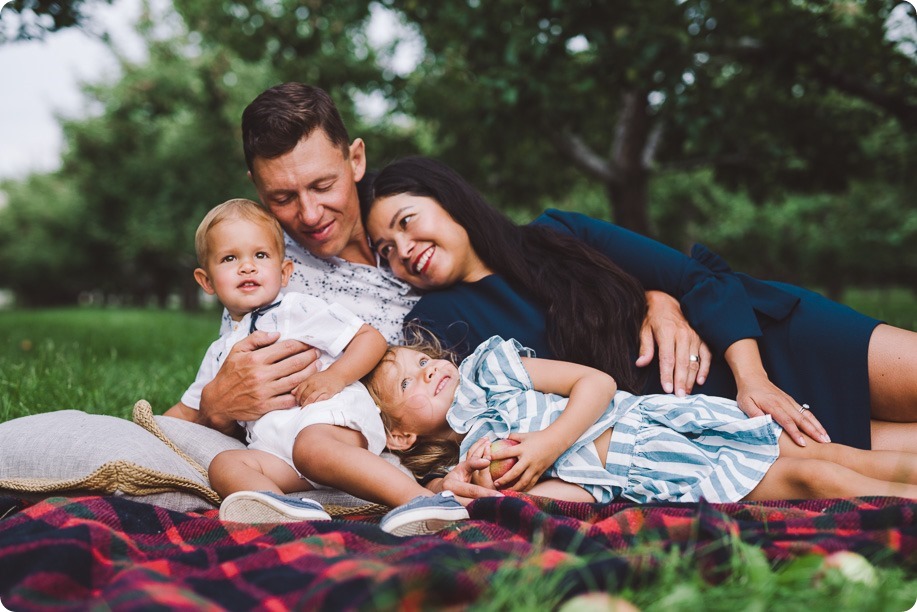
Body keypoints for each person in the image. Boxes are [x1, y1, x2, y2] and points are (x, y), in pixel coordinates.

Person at [166, 82, 704, 505]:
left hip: (567, 387)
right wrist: (214, 407)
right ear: (257, 191)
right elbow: (215, 398)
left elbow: (516, 262)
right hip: (423, 442)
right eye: (282, 197)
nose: (308, 215)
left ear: (355, 160)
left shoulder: (408, 223)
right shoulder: (267, 272)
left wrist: (651, 297)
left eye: (322, 186)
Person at [365, 156, 917, 455]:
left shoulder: (558, 234)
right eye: (385, 250)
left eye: (406, 222)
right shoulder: (435, 332)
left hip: (762, 345)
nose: (403, 250)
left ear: (448, 199)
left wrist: (749, 375)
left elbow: (697, 277)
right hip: (716, 432)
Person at [167, 198, 469, 534]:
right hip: (279, 452)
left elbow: (370, 339)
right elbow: (186, 411)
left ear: (285, 272)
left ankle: (422, 502)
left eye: (260, 255)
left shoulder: (299, 308)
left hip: (332, 417)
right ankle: (279, 507)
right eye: (229, 258)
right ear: (206, 281)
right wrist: (149, 430)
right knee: (225, 464)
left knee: (311, 448)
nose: (247, 267)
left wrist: (335, 376)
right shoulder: (219, 353)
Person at [363, 334, 917, 503]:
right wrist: (505, 496)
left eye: (423, 359)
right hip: (659, 470)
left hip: (669, 423)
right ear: (400, 433)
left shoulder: (494, 371)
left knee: (831, 453)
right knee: (811, 478)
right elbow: (584, 497)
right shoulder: (478, 459)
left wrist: (549, 442)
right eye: (408, 381)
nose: (429, 369)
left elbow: (597, 383)